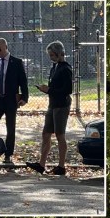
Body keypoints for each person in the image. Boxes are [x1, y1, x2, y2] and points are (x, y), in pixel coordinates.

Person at [26, 41, 73, 176]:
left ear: (60, 54)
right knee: (46, 134)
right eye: (50, 55)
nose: (51, 57)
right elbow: (53, 89)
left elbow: (68, 89)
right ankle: (41, 164)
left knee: (60, 135)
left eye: (53, 55)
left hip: (61, 105)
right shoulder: (54, 67)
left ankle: (61, 166)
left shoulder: (66, 69)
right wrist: (46, 90)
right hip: (52, 104)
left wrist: (49, 90)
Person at [0, 38, 28, 163]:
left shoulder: (16, 62)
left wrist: (24, 98)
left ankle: (8, 154)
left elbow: (23, 82)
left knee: (11, 127)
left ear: (5, 48)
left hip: (10, 100)